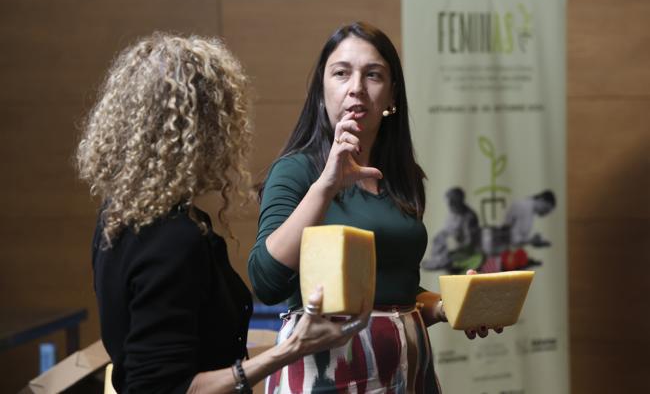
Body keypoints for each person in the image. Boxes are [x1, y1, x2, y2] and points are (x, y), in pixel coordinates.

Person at [76, 33, 370, 394]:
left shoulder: (117, 218)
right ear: (204, 130)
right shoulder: (172, 240)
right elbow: (164, 387)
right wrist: (292, 348)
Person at [248, 22, 500, 394]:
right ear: (322, 91)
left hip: (407, 369)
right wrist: (327, 186)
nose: (356, 89)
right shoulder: (298, 170)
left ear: (392, 95)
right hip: (329, 373)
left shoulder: (402, 176)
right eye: (341, 73)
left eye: (373, 75)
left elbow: (395, 292)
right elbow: (266, 281)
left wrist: (449, 306)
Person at [421, 187, 481, 271]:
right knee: (439, 238)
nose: (449, 205)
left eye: (452, 202)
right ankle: (437, 259)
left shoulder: (469, 217)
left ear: (459, 201)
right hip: (449, 243)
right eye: (448, 202)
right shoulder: (452, 213)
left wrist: (455, 241)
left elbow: (469, 240)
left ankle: (443, 261)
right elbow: (447, 230)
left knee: (450, 245)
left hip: (462, 248)